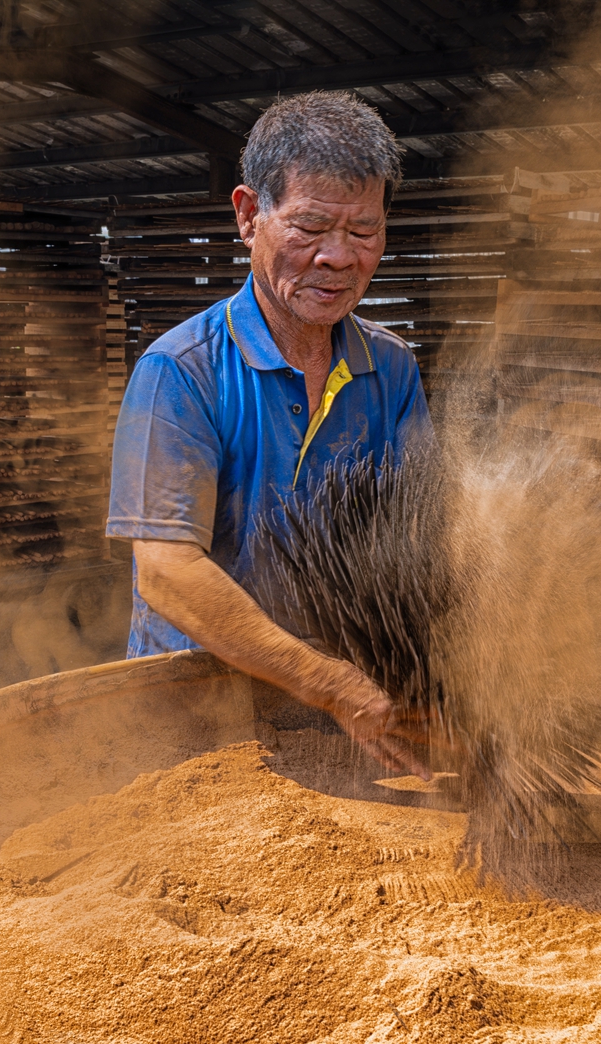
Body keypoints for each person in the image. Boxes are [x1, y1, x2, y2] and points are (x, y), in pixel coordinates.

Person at [107, 91, 431, 780]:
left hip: (341, 719)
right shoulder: (181, 373)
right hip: (191, 721)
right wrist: (331, 683)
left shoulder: (391, 369)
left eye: (363, 231)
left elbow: (422, 540)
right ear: (249, 216)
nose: (338, 258)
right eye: (310, 227)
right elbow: (167, 573)